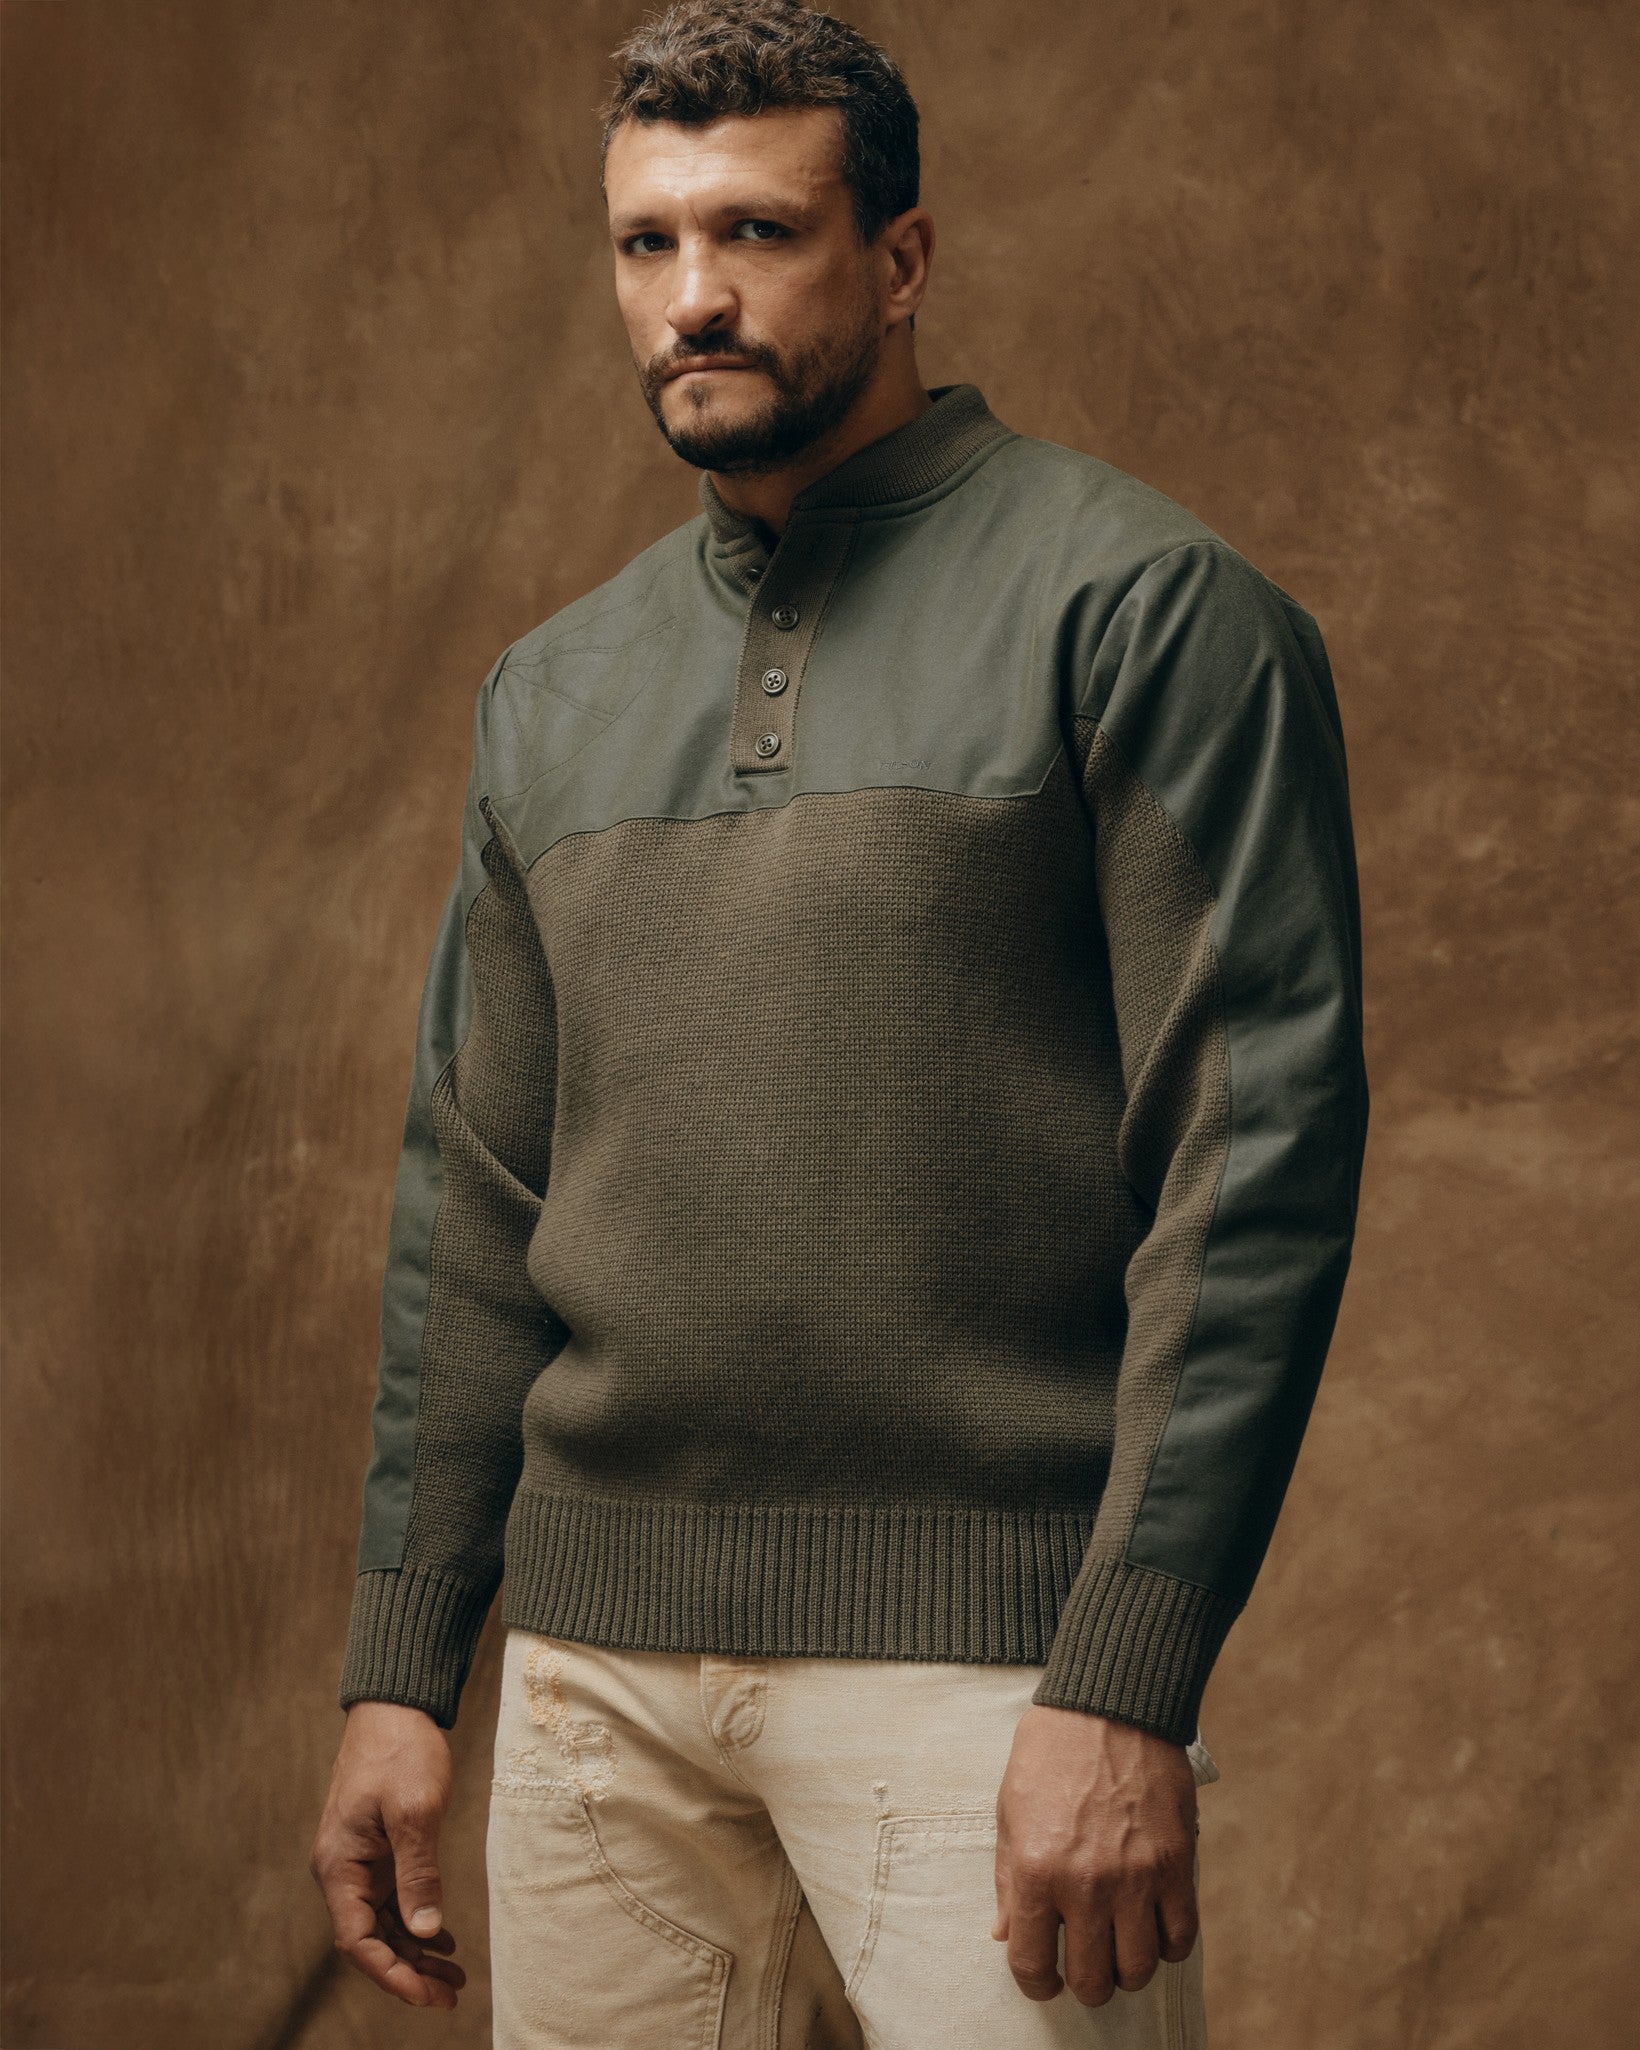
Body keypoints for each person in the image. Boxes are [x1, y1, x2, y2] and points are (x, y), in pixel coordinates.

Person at [308, 2, 1370, 2044]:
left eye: (758, 231)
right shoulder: (554, 689)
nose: (691, 296)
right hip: (596, 1681)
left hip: (993, 1675)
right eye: (646, 241)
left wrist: (1127, 1672)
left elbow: (1253, 1166)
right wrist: (400, 1665)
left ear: (899, 260)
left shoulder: (1146, 611)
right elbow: (475, 1201)